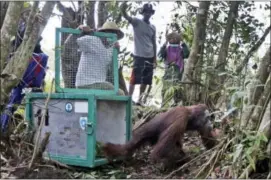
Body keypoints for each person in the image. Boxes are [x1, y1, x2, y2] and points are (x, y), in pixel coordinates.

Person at [121, 2, 157, 105]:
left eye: (149, 12)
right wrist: (123, 8)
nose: (148, 14)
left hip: (150, 55)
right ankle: (129, 98)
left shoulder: (153, 27)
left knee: (146, 80)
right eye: (146, 12)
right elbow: (126, 16)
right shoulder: (137, 22)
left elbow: (154, 43)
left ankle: (140, 100)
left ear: (151, 13)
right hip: (139, 55)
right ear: (143, 12)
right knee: (134, 78)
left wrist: (155, 58)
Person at [75, 21, 125, 95]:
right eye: (109, 32)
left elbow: (112, 71)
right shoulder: (93, 40)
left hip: (99, 84)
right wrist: (79, 29)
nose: (111, 36)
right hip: (86, 84)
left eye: (114, 34)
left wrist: (116, 53)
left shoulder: (111, 50)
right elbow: (75, 42)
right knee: (120, 94)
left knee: (117, 91)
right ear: (104, 32)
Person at [158, 32, 190, 107]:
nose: (173, 39)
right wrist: (164, 45)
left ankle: (177, 104)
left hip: (178, 72)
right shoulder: (167, 49)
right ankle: (164, 104)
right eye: (171, 38)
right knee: (166, 88)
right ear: (169, 40)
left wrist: (183, 43)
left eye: (175, 38)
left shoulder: (181, 49)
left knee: (177, 88)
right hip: (168, 72)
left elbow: (187, 54)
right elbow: (160, 55)